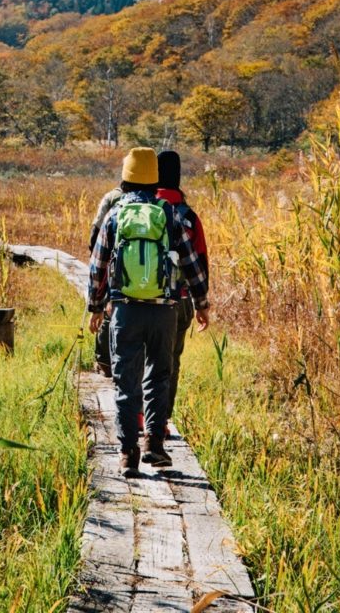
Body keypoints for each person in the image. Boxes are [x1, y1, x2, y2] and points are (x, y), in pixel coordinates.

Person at [88, 147, 209, 477]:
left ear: (125, 178)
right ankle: (154, 443)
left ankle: (128, 455)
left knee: (126, 382)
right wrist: (201, 304)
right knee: (159, 375)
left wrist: (95, 307)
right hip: (164, 310)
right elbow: (191, 263)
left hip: (125, 310)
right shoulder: (169, 214)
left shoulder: (116, 214)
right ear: (155, 179)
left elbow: (98, 264)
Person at [156, 149, 210, 426]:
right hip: (181, 299)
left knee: (142, 359)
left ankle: (141, 417)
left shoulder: (142, 211)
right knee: (170, 362)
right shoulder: (188, 216)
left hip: (141, 300)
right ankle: (162, 421)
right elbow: (198, 261)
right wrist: (202, 305)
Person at [88, 184, 123, 377]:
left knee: (107, 309)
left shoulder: (111, 197)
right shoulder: (154, 201)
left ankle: (104, 361)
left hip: (109, 263)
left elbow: (96, 231)